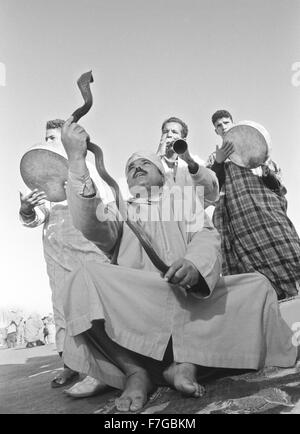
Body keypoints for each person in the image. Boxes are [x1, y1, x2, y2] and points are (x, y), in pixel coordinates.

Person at [59, 118, 297, 412]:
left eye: (145, 163)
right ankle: (136, 371)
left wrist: (195, 266)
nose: (136, 167)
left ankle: (184, 363)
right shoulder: (118, 209)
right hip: (140, 304)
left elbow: (206, 236)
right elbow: (91, 226)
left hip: (190, 300)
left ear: (162, 175)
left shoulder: (184, 201)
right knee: (81, 276)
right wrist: (76, 161)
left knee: (256, 287)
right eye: (131, 166)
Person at [19, 119, 113, 387]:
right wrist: (26, 209)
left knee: (94, 308)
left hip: (88, 253)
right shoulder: (41, 185)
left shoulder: (89, 170)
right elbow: (36, 216)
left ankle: (104, 369)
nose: (48, 143)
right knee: (62, 310)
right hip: (56, 257)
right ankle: (71, 363)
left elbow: (105, 210)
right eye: (46, 138)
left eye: (54, 139)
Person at [206, 110, 300, 299]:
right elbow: (210, 189)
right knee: (255, 281)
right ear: (216, 131)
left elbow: (277, 185)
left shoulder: (255, 147)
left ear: (233, 123)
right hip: (239, 224)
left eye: (226, 122)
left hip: (268, 216)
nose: (223, 126)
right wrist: (218, 163)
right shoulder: (214, 157)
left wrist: (266, 171)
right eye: (219, 125)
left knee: (289, 254)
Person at [157, 117, 219, 207]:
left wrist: (189, 161)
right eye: (165, 132)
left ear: (184, 139)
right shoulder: (151, 161)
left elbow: (212, 189)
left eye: (174, 132)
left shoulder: (194, 161)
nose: (169, 135)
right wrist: (158, 156)